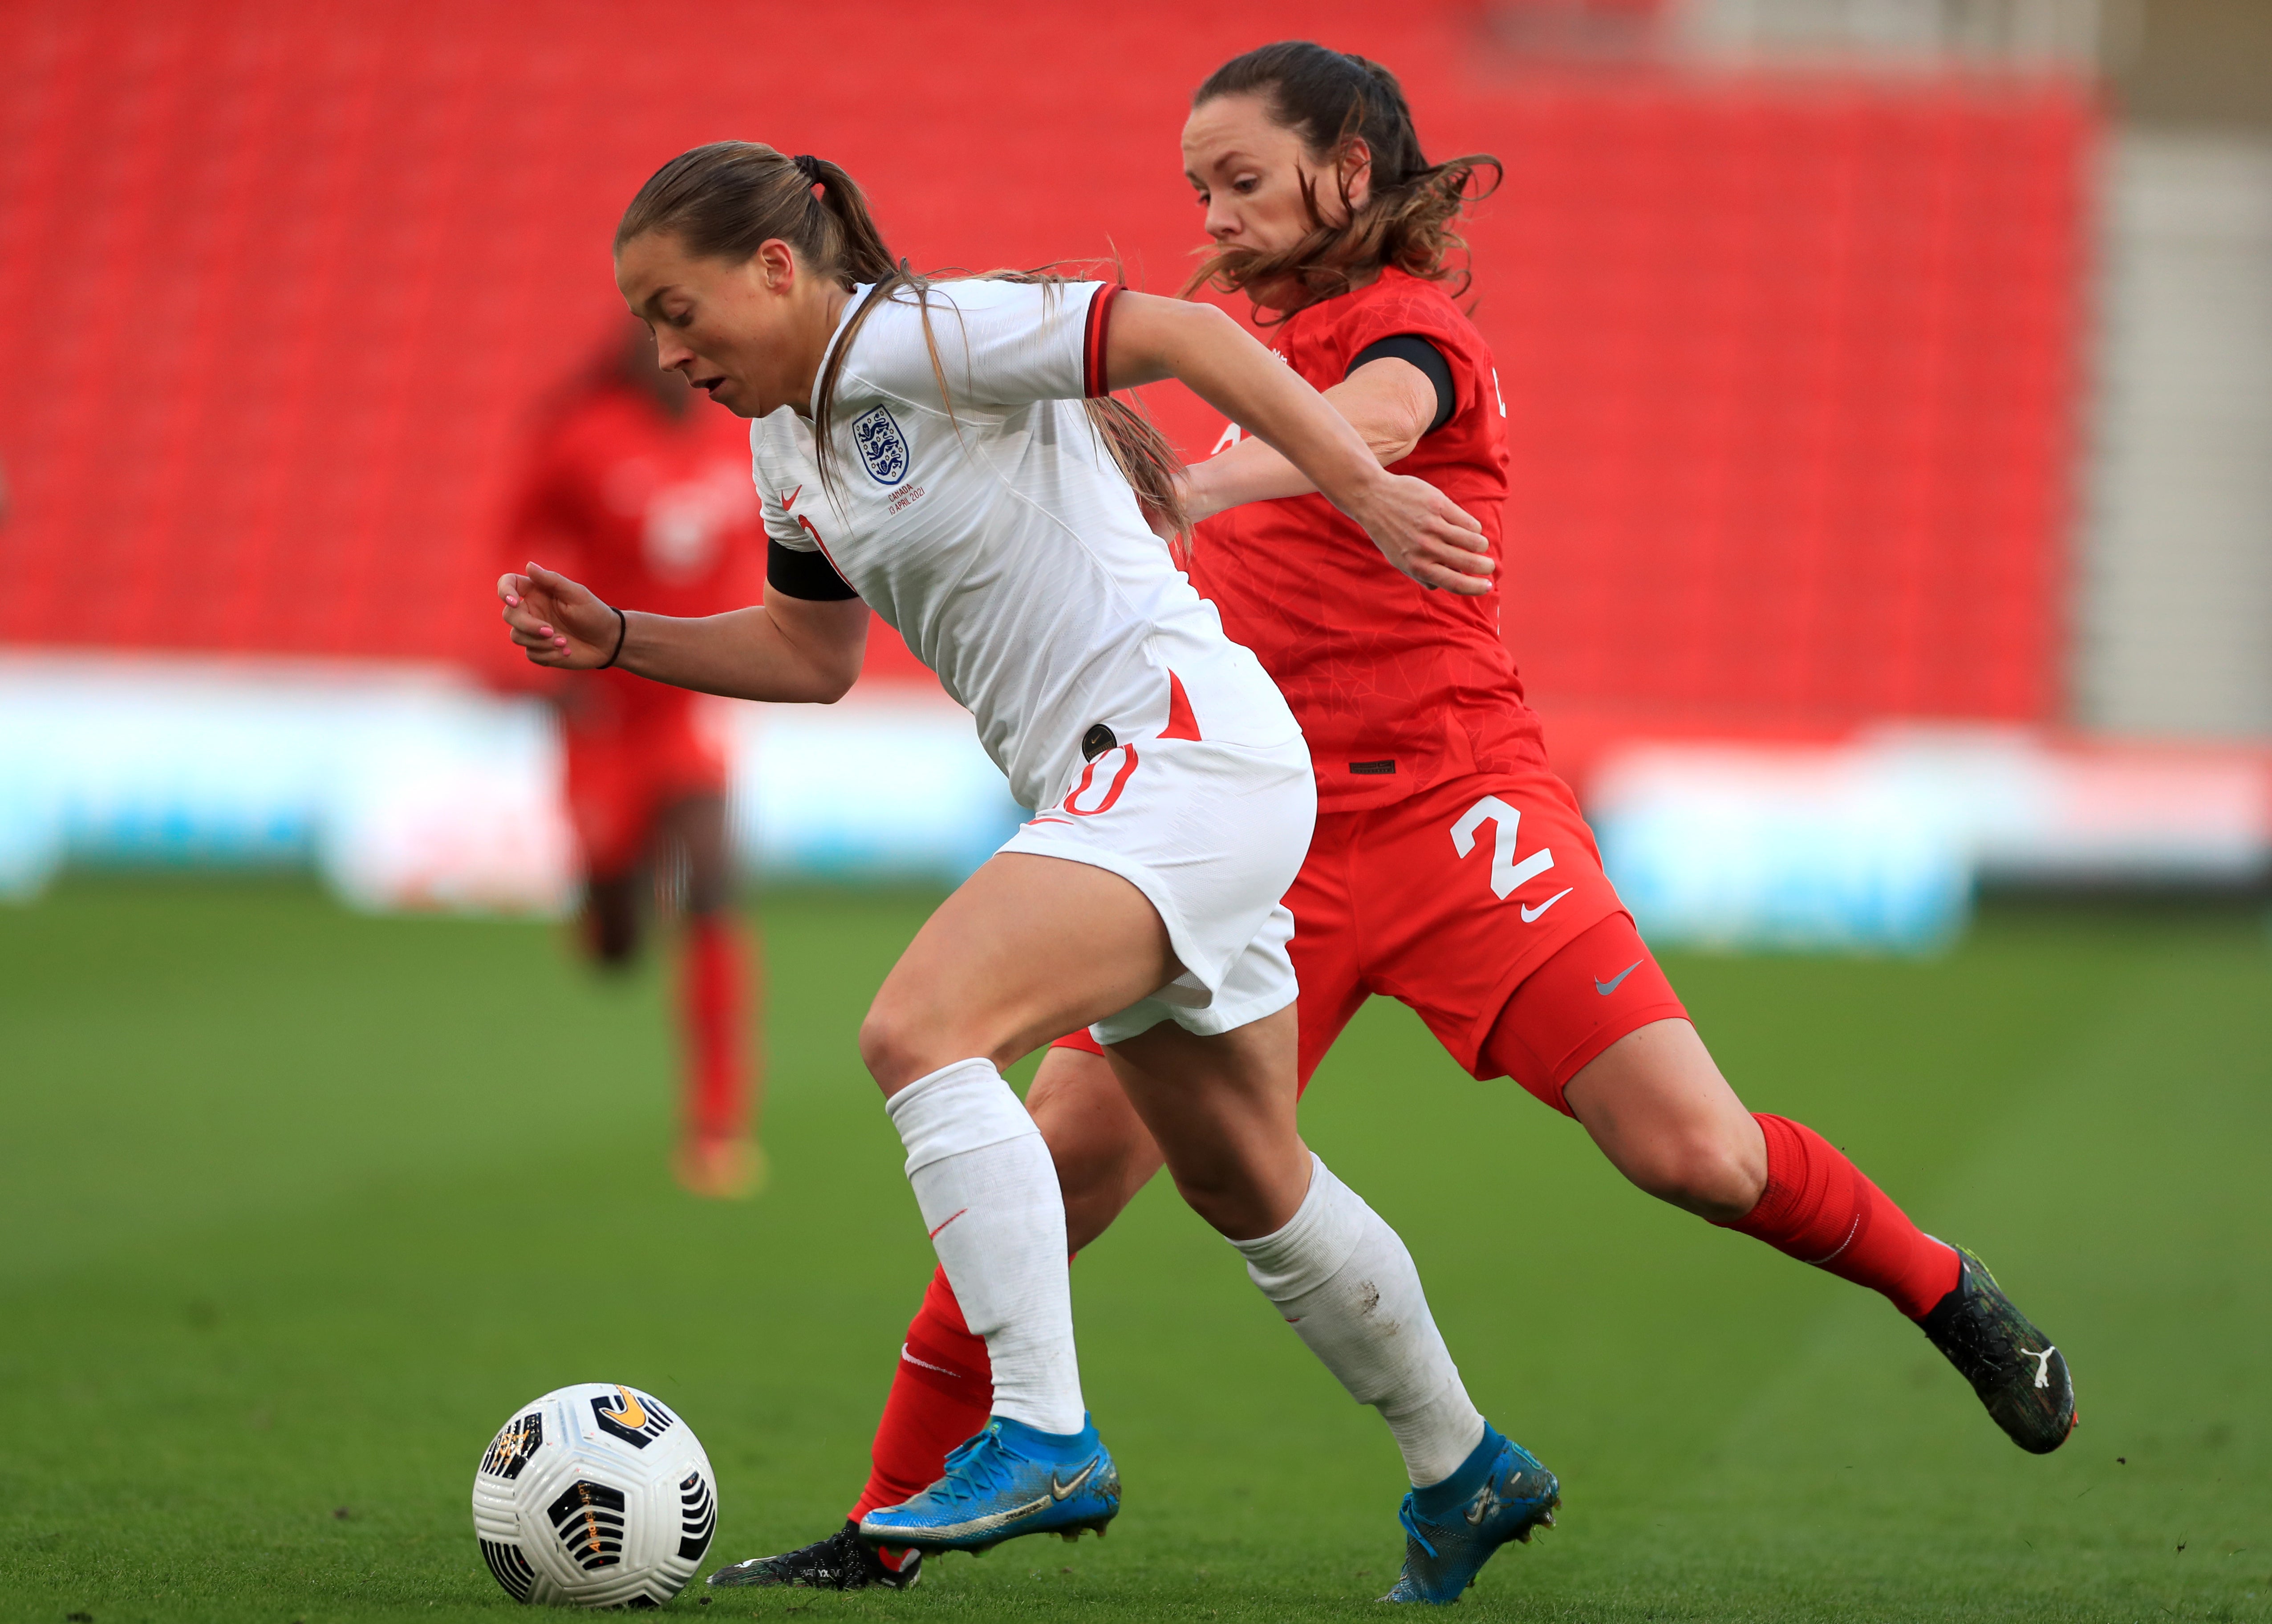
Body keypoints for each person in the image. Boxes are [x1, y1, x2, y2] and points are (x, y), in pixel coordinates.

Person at [720, 40, 2079, 1602]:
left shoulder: (1418, 334)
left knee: (1692, 1149)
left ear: (1348, 171)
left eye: (1241, 178)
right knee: (1054, 1163)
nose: (1213, 214)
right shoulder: (1236, 338)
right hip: (1240, 832)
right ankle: (888, 1525)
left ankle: (1943, 1289)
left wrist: (1208, 482)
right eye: (1196, 187)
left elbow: (1358, 421)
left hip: (1452, 811)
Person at [499, 140, 1556, 1604]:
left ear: (776, 268)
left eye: (681, 310)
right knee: (1246, 1170)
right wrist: (622, 633)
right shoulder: (787, 438)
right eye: (648, 323)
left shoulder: (917, 333)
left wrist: (1360, 491)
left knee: (917, 1028)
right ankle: (1462, 1458)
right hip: (1151, 779)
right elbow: (809, 656)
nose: (666, 350)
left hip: (1178, 751)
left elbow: (1177, 332)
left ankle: (1042, 1426)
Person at [499, 319, 767, 1199]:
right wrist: (533, 648)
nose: (693, 366)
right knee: (618, 943)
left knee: (714, 883)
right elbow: (516, 541)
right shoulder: (584, 440)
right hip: (604, 711)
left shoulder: (747, 433)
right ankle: (605, 905)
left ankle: (718, 1128)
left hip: (689, 705)